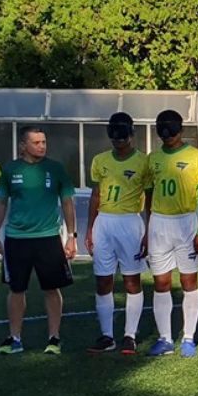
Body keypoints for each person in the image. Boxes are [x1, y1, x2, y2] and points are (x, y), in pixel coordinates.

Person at [0, 126, 76, 354]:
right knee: (16, 289)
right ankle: (15, 339)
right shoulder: (10, 170)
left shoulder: (55, 169)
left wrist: (71, 237)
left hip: (48, 238)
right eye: (37, 142)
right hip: (16, 239)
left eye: (44, 142)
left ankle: (54, 338)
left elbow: (67, 202)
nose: (42, 146)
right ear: (23, 146)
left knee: (51, 288)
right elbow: (1, 203)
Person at [85, 113, 152, 355]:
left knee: (132, 281)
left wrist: (149, 231)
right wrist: (90, 228)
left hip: (130, 224)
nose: (118, 142)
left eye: (122, 137)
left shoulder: (143, 162)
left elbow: (150, 200)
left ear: (131, 135)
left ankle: (129, 336)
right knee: (103, 280)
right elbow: (96, 195)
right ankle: (106, 336)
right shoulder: (99, 160)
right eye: (114, 138)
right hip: (104, 224)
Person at [145, 110, 198, 357]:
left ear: (180, 130)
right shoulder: (153, 159)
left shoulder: (196, 157)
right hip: (159, 224)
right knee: (161, 282)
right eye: (163, 132)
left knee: (188, 281)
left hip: (186, 222)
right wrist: (147, 227)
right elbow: (149, 195)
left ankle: (189, 337)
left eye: (171, 131)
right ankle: (165, 338)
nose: (168, 137)